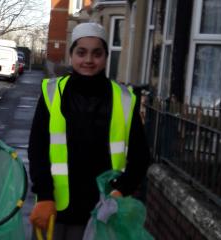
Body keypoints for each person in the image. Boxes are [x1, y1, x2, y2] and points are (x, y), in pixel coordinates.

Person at [28, 22, 150, 239]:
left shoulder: (124, 98)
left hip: (105, 214)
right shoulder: (51, 93)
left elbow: (140, 157)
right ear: (71, 54)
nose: (88, 60)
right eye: (81, 52)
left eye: (97, 53)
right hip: (57, 211)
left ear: (105, 57)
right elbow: (37, 149)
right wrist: (44, 195)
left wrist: (121, 189)